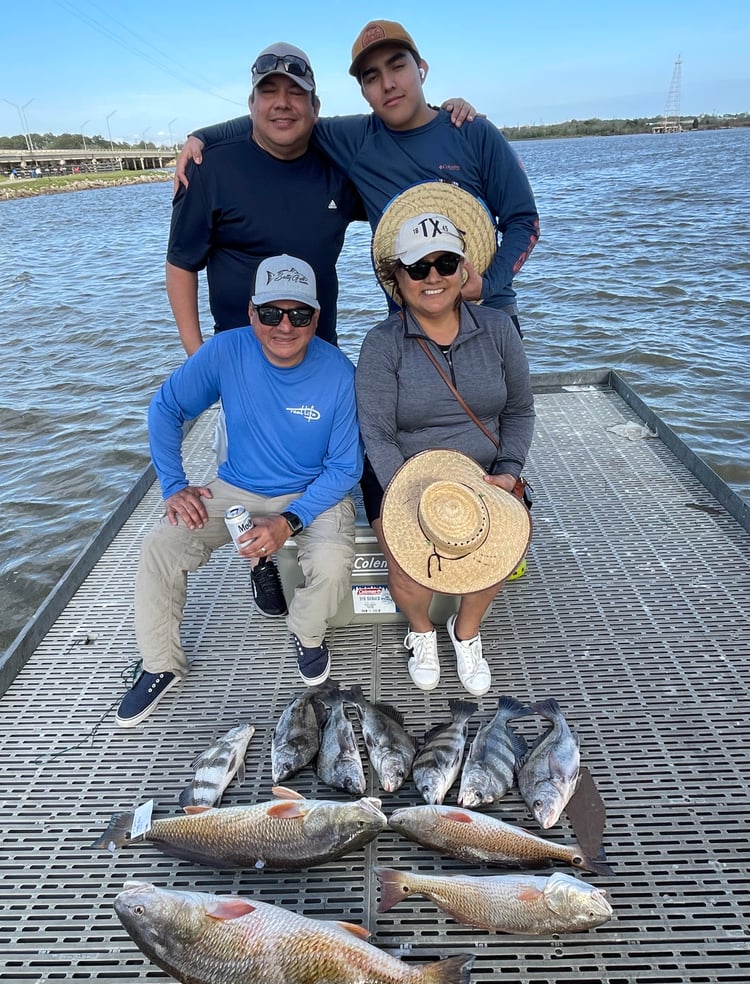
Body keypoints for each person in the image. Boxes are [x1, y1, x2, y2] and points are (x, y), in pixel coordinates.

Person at [115, 255, 362, 728]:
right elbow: (165, 408)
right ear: (251, 313)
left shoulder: (339, 373)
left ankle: (306, 633)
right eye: (271, 313)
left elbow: (344, 466)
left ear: (317, 317)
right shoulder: (226, 352)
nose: (284, 326)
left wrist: (289, 521)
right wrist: (174, 485)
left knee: (331, 566)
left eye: (299, 314)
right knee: (160, 546)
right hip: (236, 486)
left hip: (314, 490)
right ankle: (160, 663)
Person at [179, 20, 539, 331]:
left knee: (504, 410)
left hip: (488, 311)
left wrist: (488, 284)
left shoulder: (473, 132)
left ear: (422, 69)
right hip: (412, 320)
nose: (388, 84)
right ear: (364, 91)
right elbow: (280, 117)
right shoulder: (355, 139)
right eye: (372, 77)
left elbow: (523, 220)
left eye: (398, 67)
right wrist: (204, 137)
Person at [355, 204, 535, 697]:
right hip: (401, 470)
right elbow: (376, 432)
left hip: (482, 470)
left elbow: (519, 411)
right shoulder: (381, 343)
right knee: (408, 561)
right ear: (397, 278)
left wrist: (507, 471)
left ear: (463, 270)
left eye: (445, 263)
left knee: (500, 540)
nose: (432, 277)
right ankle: (420, 631)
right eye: (417, 267)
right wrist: (411, 493)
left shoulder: (499, 330)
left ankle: (467, 632)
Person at [166, 42, 365, 354]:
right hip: (238, 365)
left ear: (316, 108)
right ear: (251, 104)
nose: (282, 103)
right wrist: (198, 355)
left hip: (320, 363)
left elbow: (396, 210)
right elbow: (181, 263)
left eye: (296, 93)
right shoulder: (209, 167)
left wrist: (447, 121)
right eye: (269, 91)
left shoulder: (340, 167)